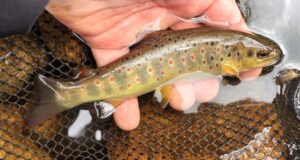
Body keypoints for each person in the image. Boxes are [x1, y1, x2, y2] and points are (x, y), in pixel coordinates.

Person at [0, 0, 261, 131]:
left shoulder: (226, 54)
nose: (263, 59)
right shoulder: (226, 57)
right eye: (259, 55)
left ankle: (62, 95)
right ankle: (60, 95)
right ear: (236, 55)